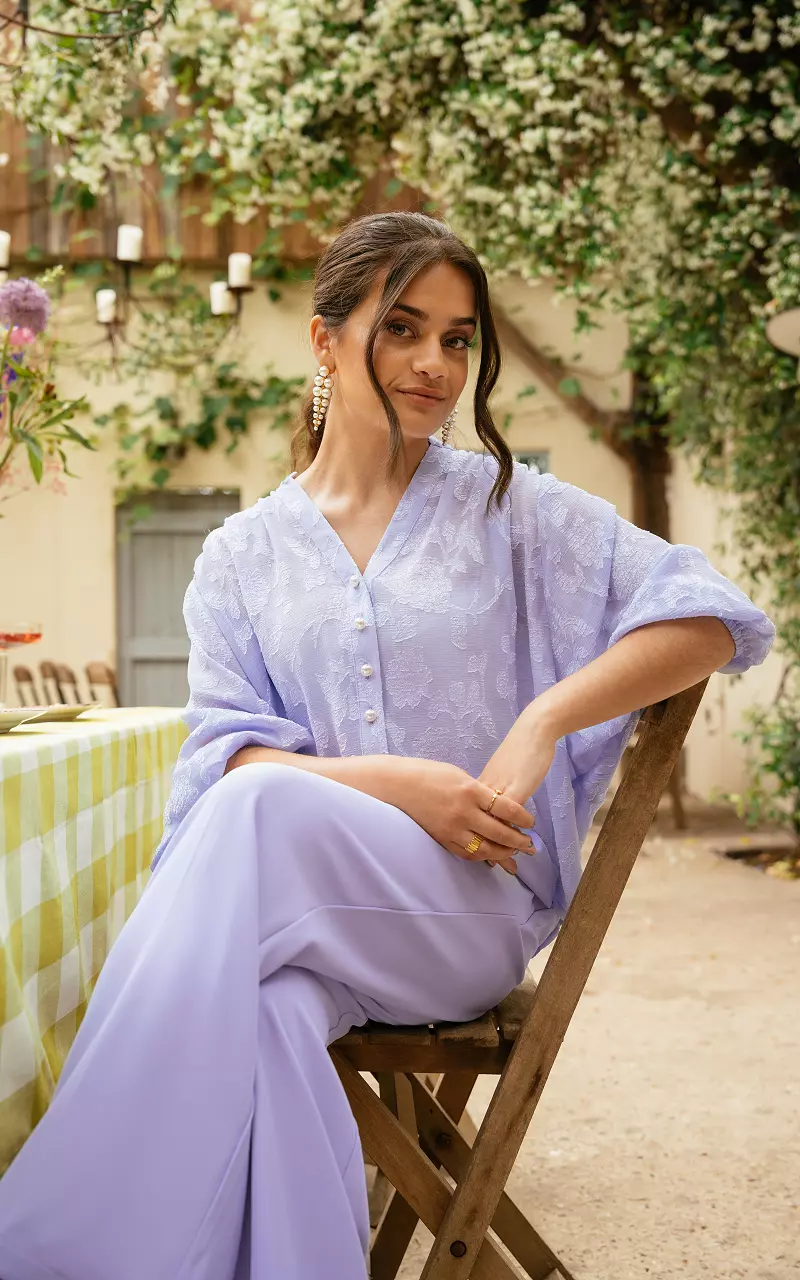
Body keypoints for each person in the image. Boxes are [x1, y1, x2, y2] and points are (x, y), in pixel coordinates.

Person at [0, 212, 775, 1280]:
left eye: (456, 339)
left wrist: (541, 718)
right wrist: (400, 784)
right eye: (402, 327)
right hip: (308, 930)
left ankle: (44, 1242)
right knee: (267, 1018)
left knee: (252, 818)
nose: (433, 363)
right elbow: (227, 755)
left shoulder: (510, 510)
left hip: (465, 917)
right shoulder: (238, 556)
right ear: (324, 340)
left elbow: (708, 614)